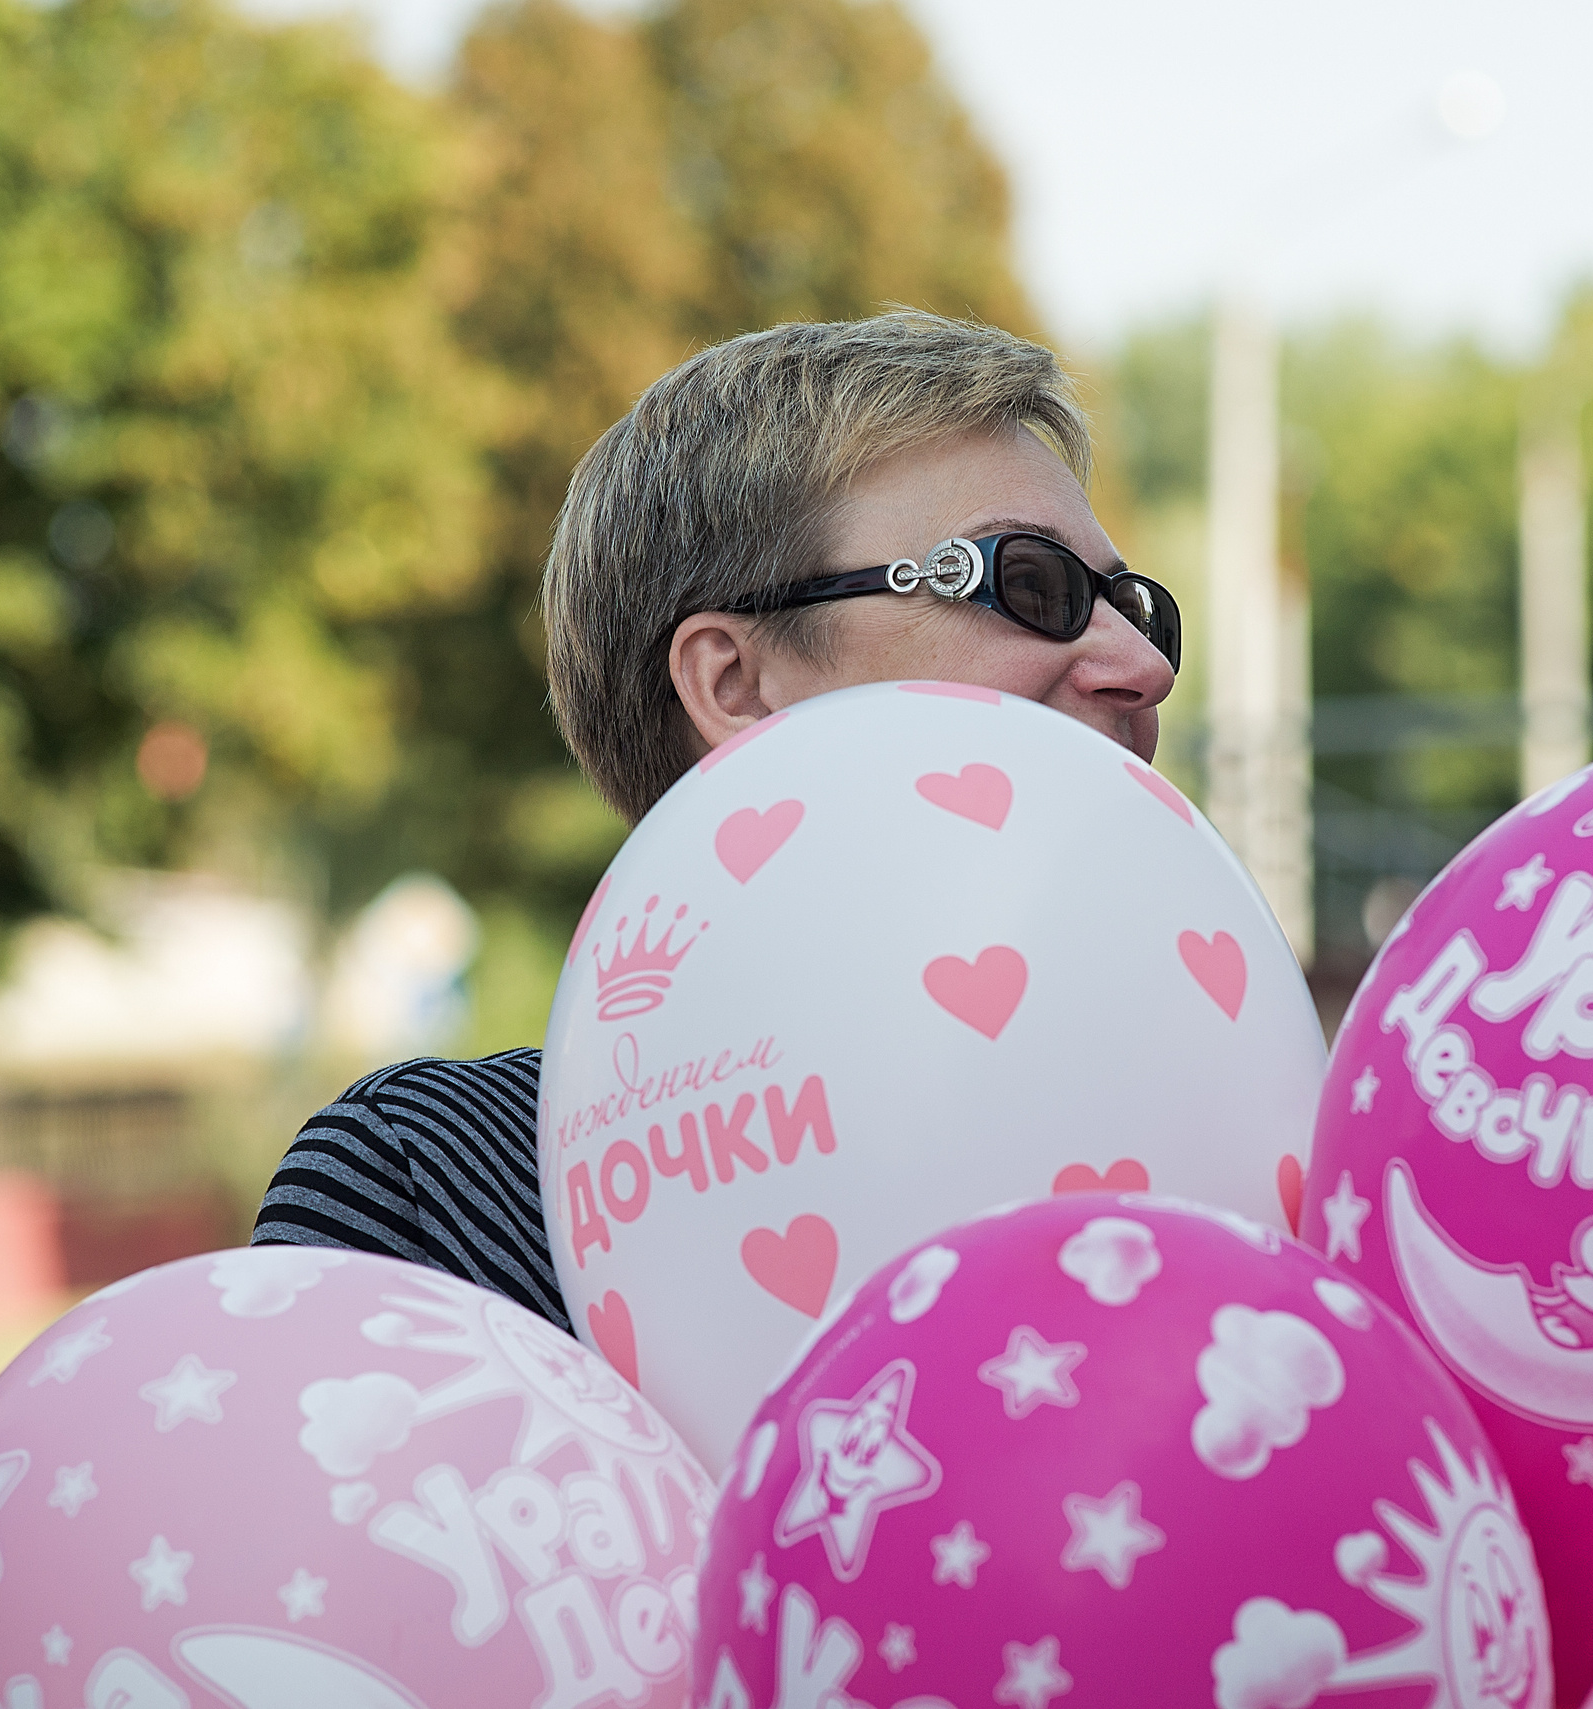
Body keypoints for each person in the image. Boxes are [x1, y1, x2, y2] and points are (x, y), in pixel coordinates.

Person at [250, 311, 1180, 1330]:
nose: (1146, 667)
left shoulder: (1243, 1125)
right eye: (1028, 583)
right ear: (734, 682)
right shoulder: (435, 1190)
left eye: (1133, 607)